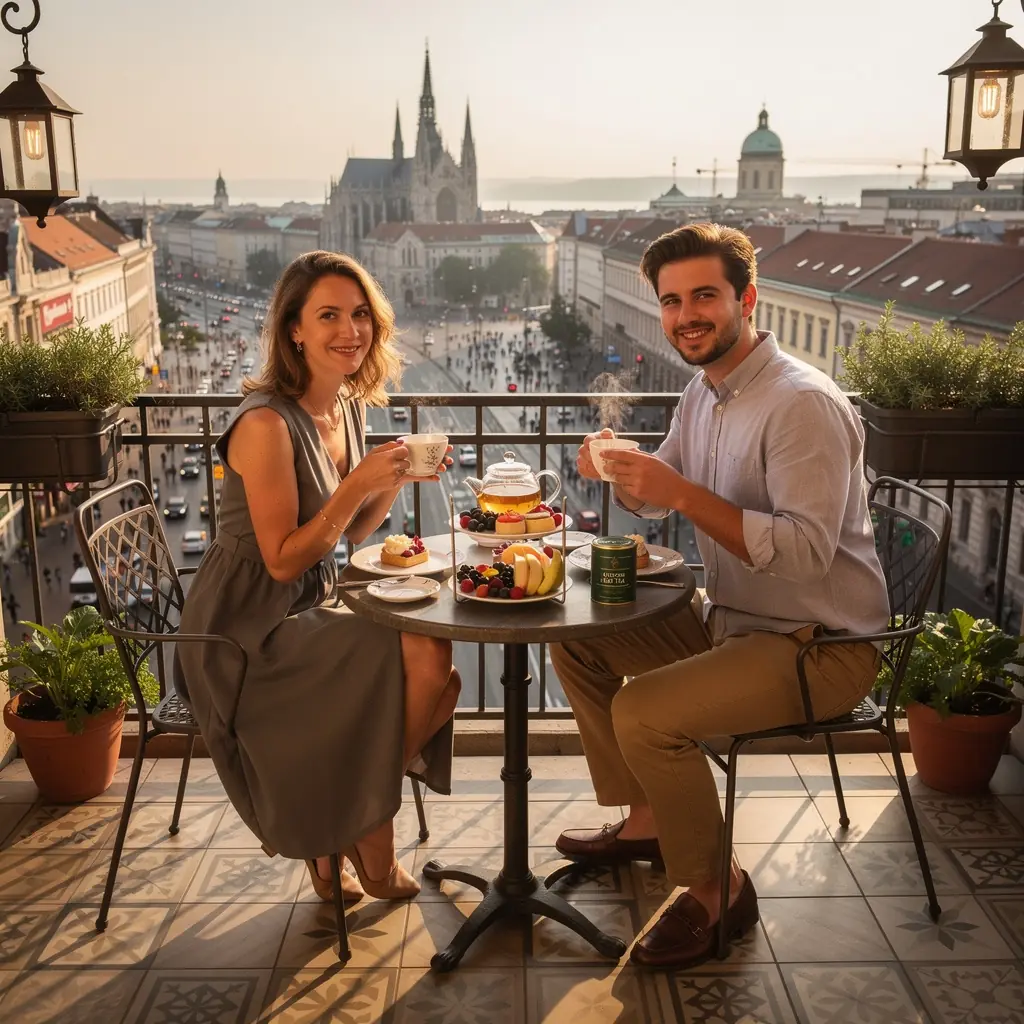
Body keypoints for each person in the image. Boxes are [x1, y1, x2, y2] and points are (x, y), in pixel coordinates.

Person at [549, 223, 888, 969]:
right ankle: (647, 818)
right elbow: (656, 495)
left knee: (644, 711)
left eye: (704, 296)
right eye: (672, 301)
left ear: (747, 298)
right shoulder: (704, 393)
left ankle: (716, 888)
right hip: (735, 622)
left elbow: (804, 553)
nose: (685, 316)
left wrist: (678, 493)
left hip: (820, 646)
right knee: (576, 638)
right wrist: (620, 472)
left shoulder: (801, 404)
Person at [175, 251, 460, 906]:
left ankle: (340, 829)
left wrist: (395, 479)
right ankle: (368, 838)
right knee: (425, 655)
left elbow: (353, 533)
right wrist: (358, 482)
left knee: (440, 680)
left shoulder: (346, 405)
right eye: (328, 315)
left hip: (309, 605)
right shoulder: (265, 423)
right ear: (294, 330)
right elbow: (282, 559)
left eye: (360, 314)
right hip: (245, 628)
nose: (350, 330)